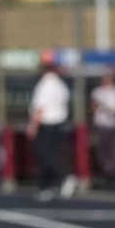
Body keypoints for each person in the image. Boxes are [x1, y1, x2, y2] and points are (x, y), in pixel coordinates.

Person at [26, 60, 76, 201]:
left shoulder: (46, 85)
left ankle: (64, 177)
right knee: (52, 154)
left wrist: (33, 126)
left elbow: (40, 108)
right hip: (59, 124)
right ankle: (46, 187)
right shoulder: (60, 85)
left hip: (47, 124)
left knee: (45, 155)